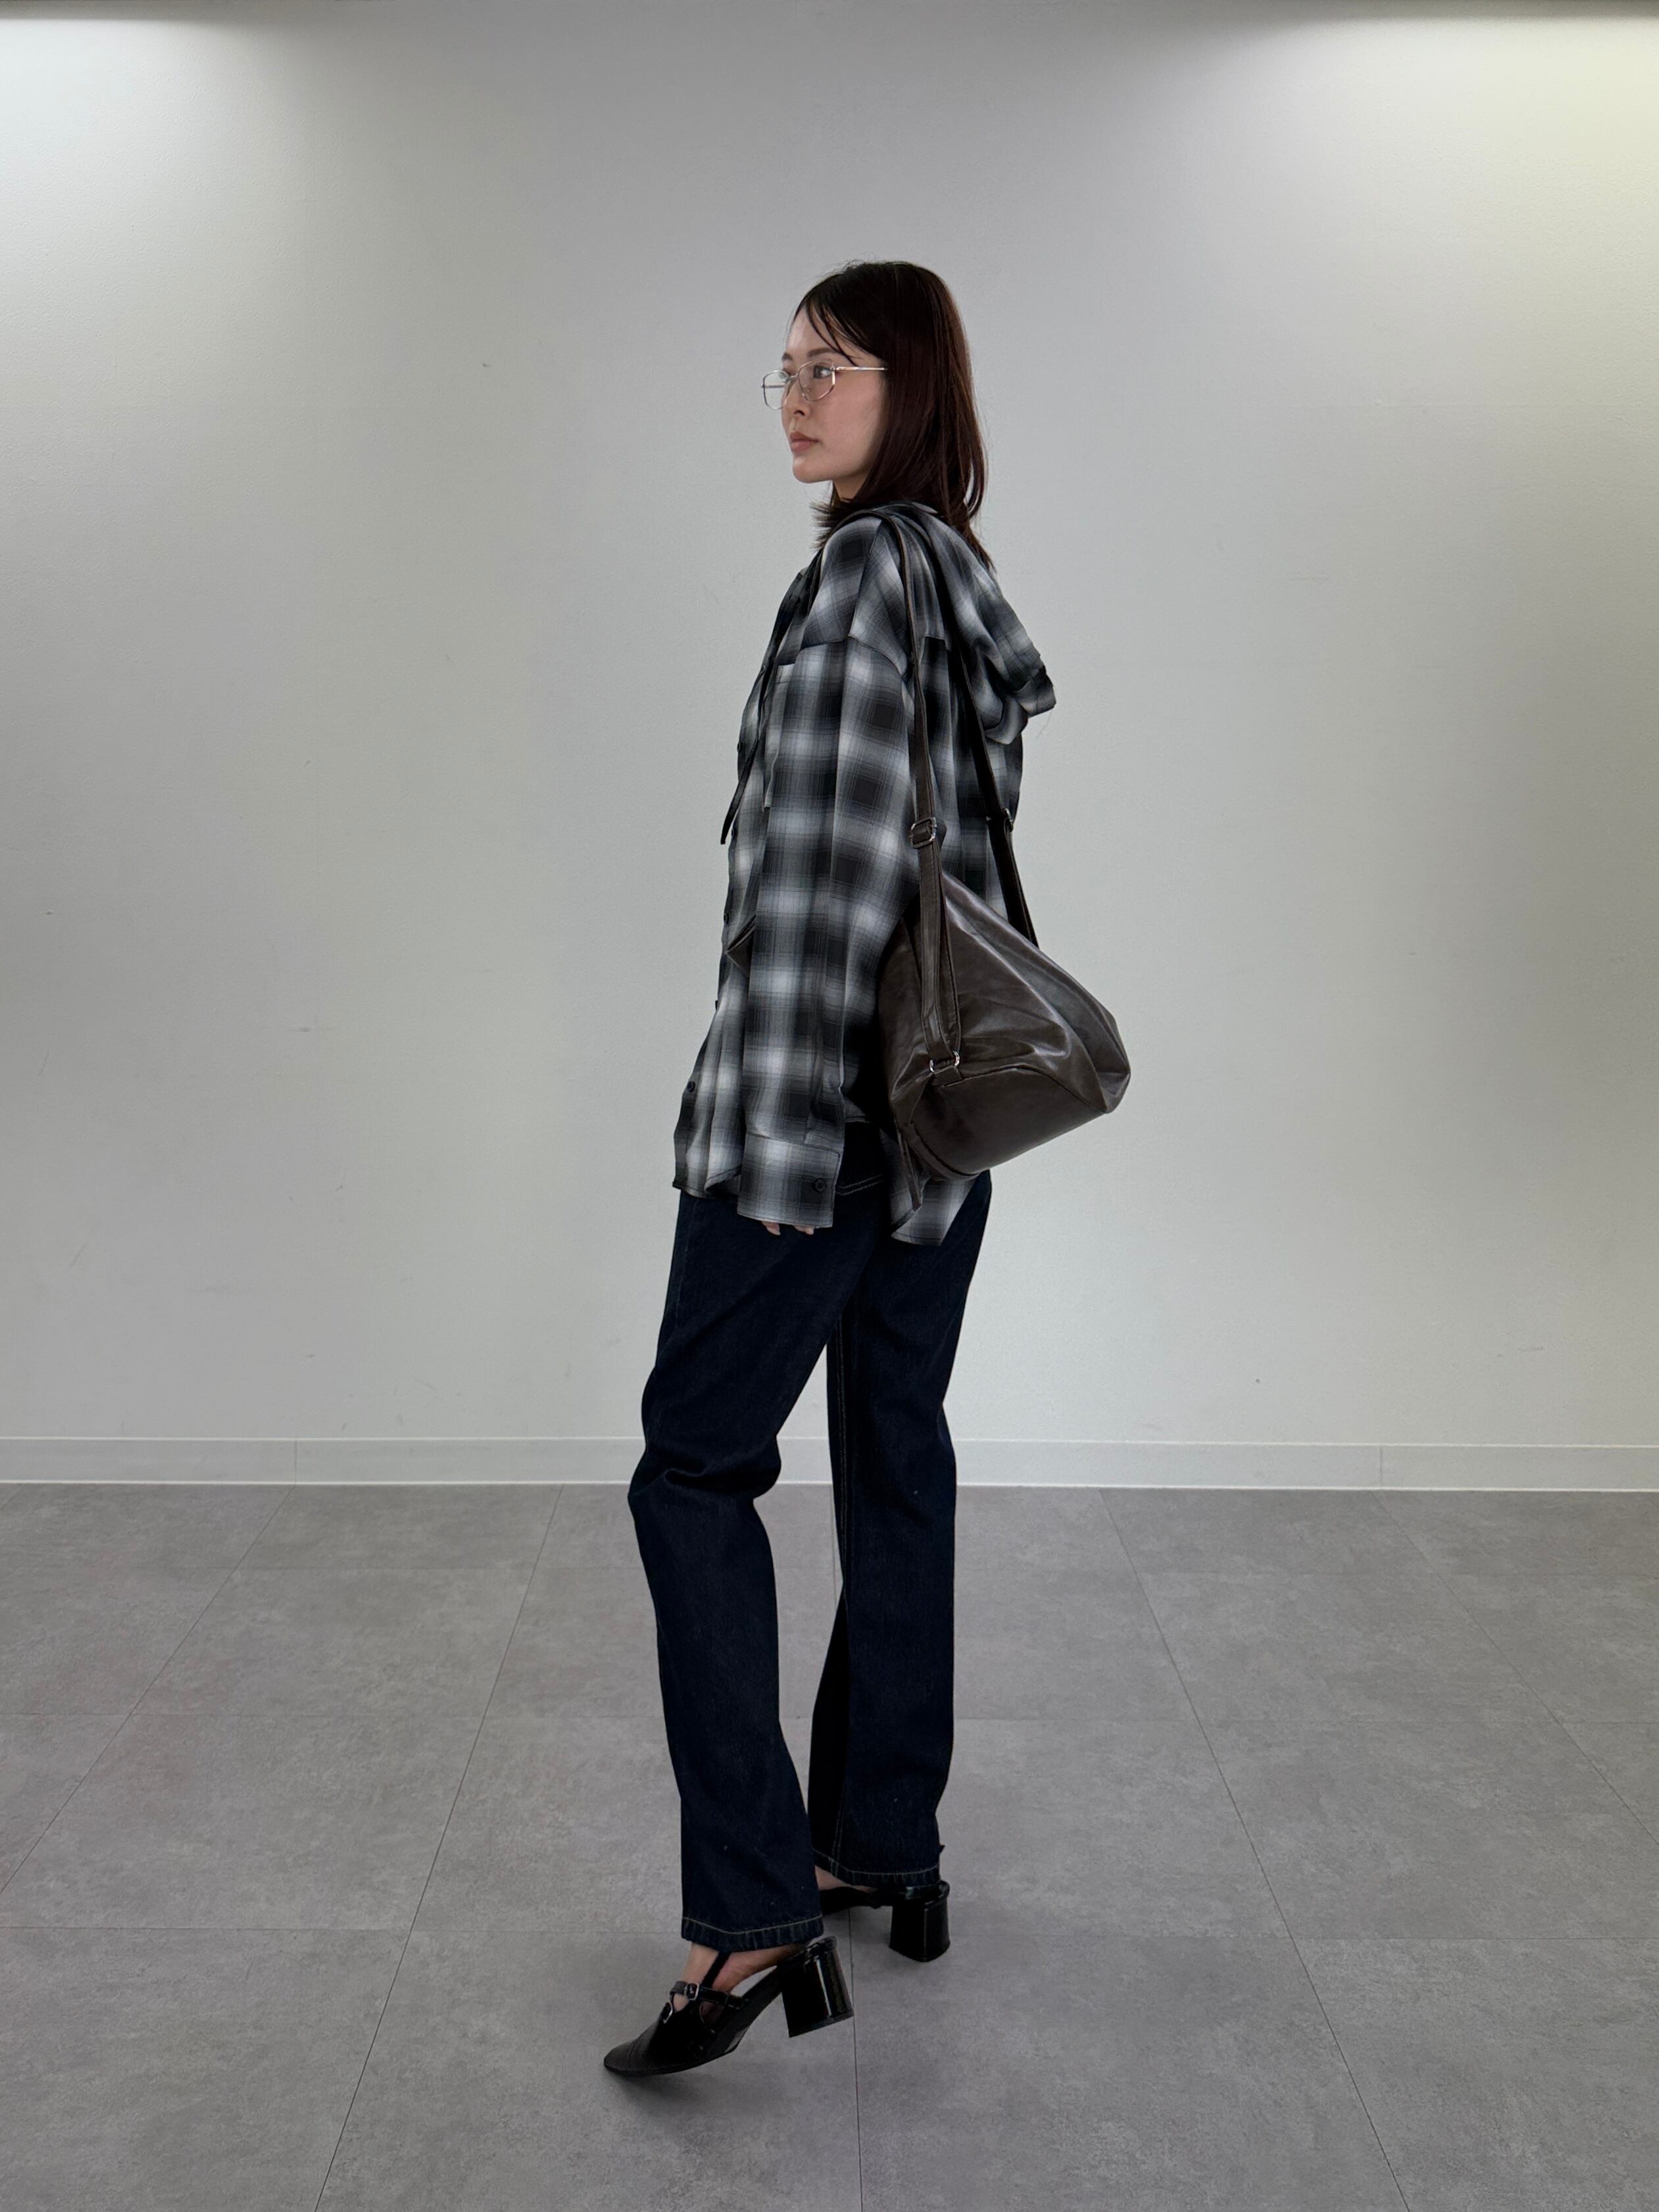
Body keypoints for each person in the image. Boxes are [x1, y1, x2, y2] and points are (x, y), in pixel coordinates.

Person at [604, 259, 1056, 2079]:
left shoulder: (860, 583)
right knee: (894, 1456)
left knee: (691, 1472)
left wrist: (780, 1143)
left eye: (834, 368)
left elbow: (826, 887)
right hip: (943, 1127)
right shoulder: (953, 577)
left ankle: (746, 1913)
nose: (795, 398)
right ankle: (883, 1840)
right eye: (783, 370)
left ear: (909, 385)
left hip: (817, 1127)